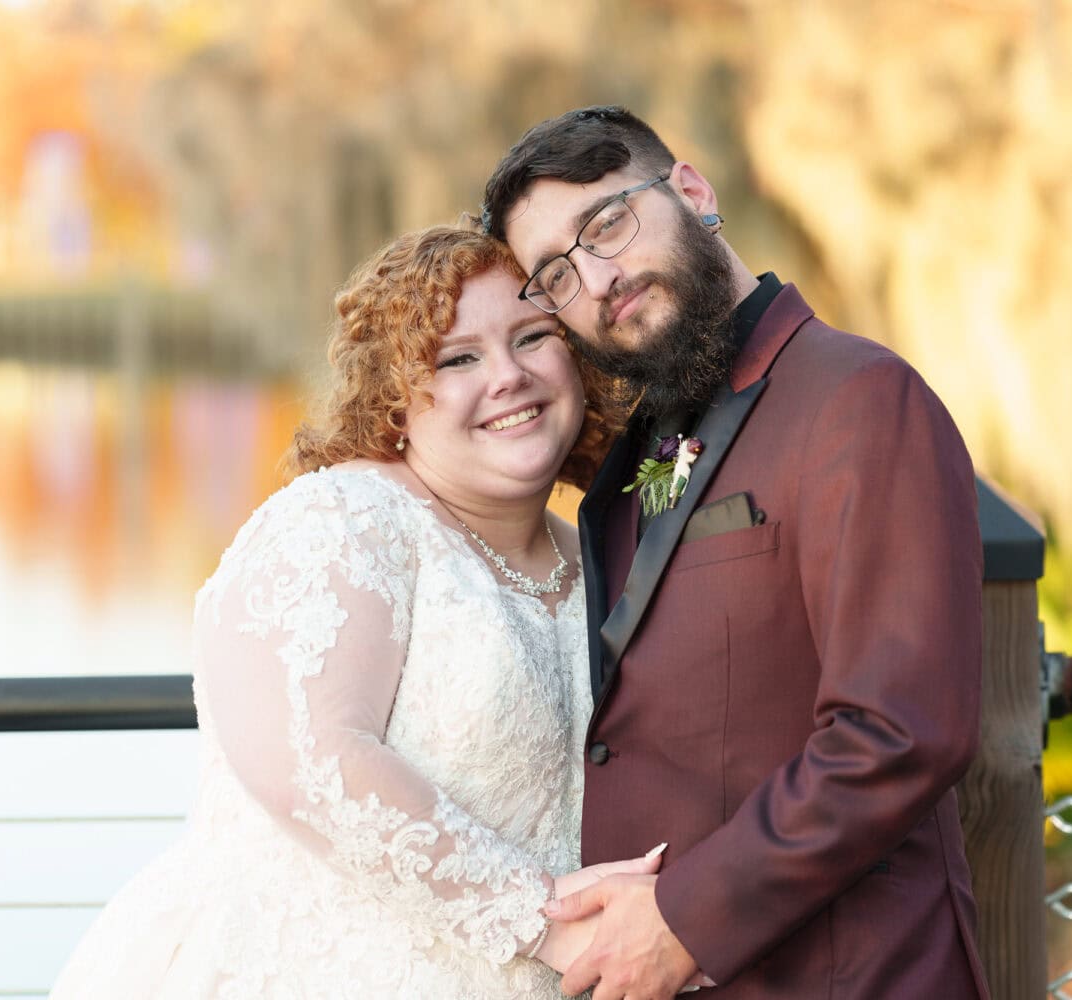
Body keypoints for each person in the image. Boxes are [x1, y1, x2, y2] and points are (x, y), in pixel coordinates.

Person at [49, 226, 665, 998]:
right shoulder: (343, 521)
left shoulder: (598, 556)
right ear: (395, 398)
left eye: (533, 336)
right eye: (458, 357)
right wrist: (545, 920)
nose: (507, 375)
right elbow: (310, 761)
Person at [482, 106, 990, 999]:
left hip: (848, 976)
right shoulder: (642, 443)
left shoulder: (860, 399)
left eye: (606, 224)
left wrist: (685, 919)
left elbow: (901, 731)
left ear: (691, 191)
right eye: (555, 275)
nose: (597, 279)